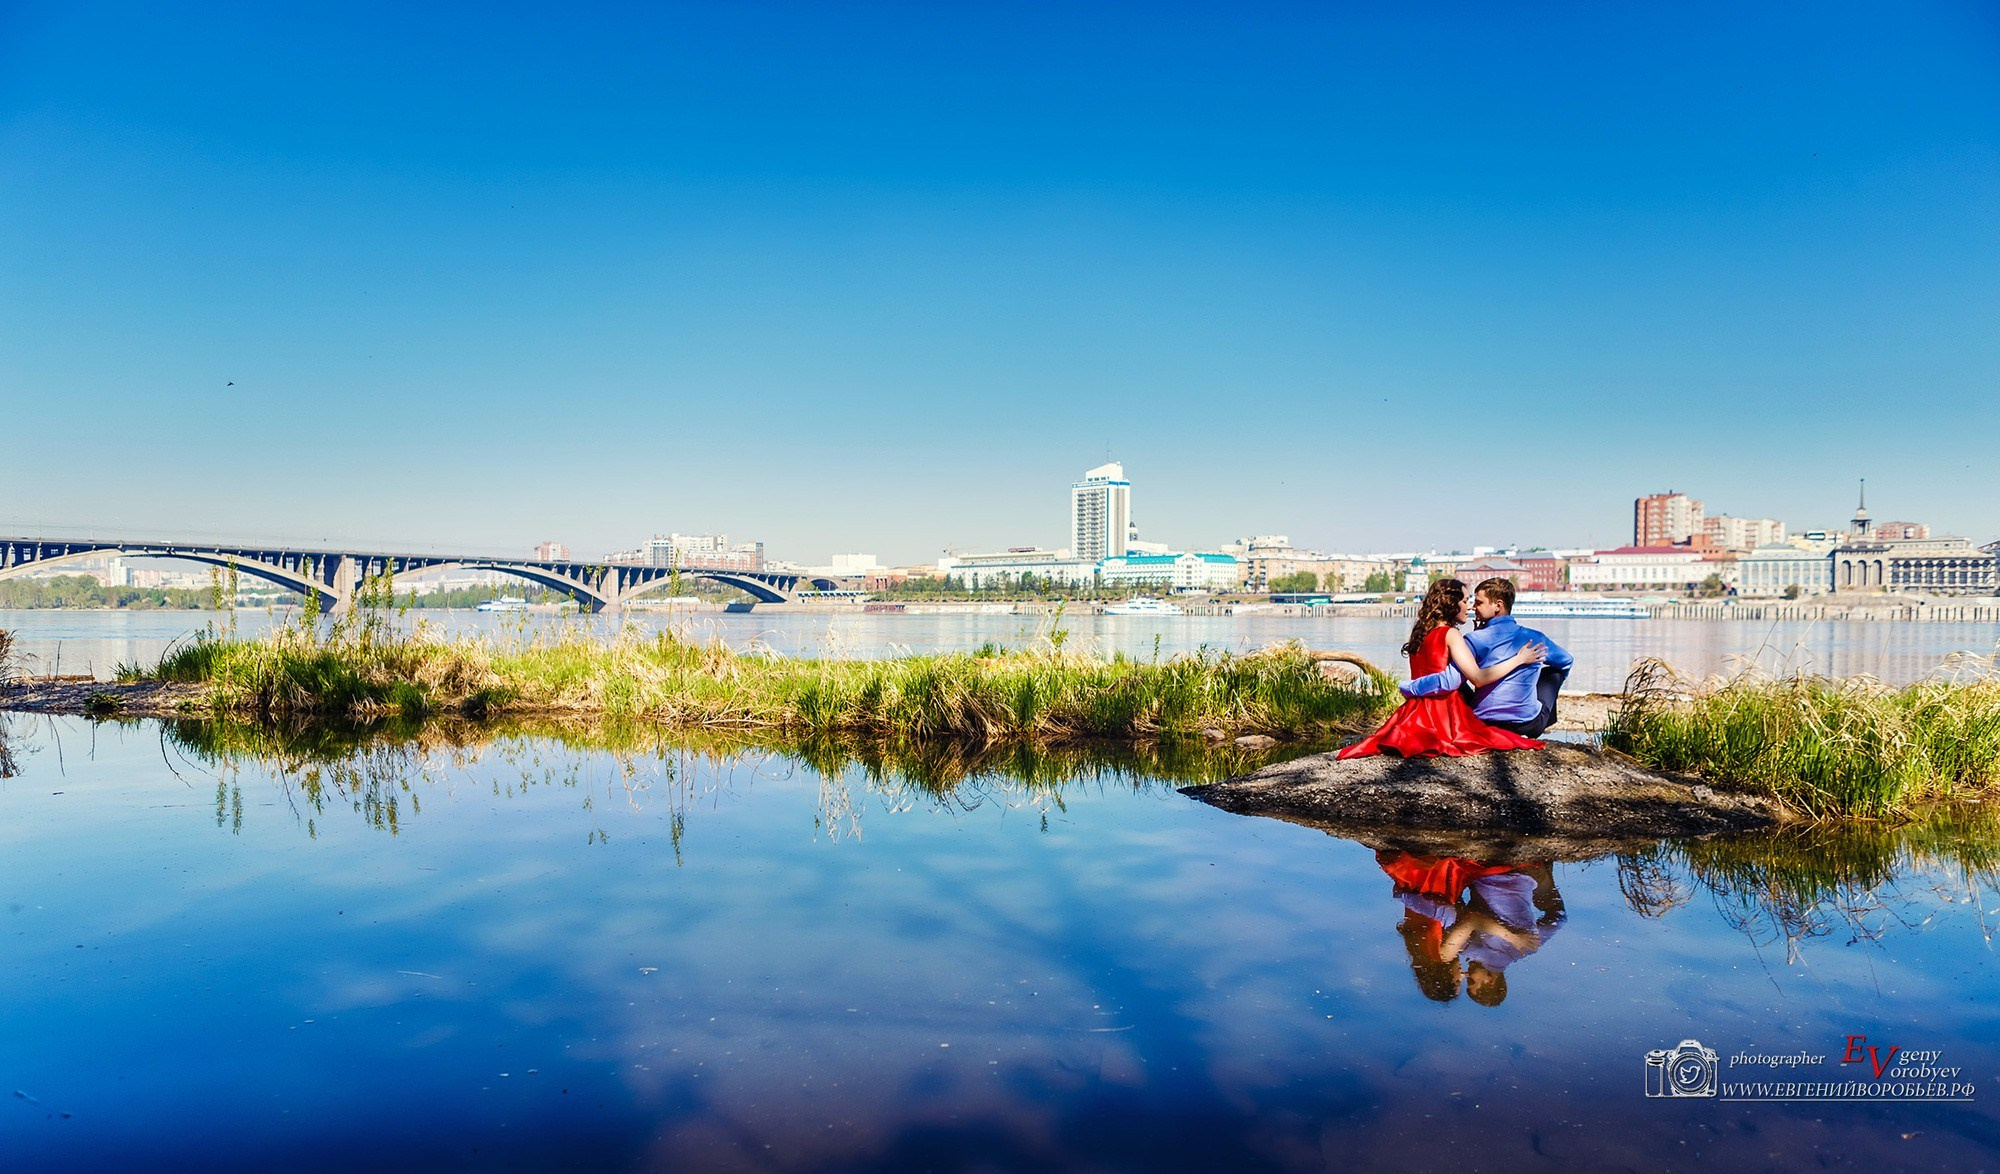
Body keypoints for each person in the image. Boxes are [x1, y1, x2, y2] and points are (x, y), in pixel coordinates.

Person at [1338, 578, 1547, 759]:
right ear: (1451, 603)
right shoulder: (1450, 634)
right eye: (1465, 601)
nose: (1470, 607)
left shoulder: (1419, 634)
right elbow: (1479, 678)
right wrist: (1519, 659)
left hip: (1413, 712)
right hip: (1443, 713)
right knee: (1495, 738)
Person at [1400, 577, 1574, 739]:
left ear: (1498, 606)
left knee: (1461, 676)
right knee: (1553, 672)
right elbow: (1566, 660)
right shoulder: (1536, 638)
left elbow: (1451, 680)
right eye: (1470, 602)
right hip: (1527, 724)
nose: (1473, 607)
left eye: (1478, 602)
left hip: (1483, 720)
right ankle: (1541, 719)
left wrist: (1410, 686)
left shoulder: (1473, 640)